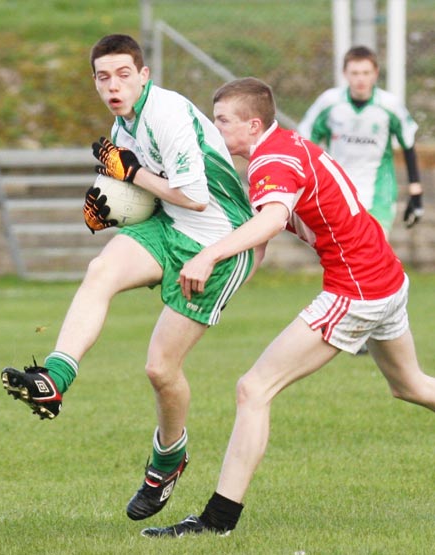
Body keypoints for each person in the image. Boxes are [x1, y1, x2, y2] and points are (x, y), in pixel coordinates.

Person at [140, 77, 435, 538]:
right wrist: (227, 276)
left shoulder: (271, 160)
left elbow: (272, 220)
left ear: (252, 125)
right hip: (385, 277)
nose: (215, 131)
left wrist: (208, 254)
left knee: (253, 389)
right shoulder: (284, 144)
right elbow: (262, 240)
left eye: (222, 121)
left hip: (356, 289)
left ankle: (216, 522)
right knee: (411, 387)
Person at [0, 35, 257, 522]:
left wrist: (132, 174)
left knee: (160, 371)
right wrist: (110, 208)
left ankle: (167, 462)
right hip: (168, 229)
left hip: (218, 244)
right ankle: (54, 378)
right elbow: (141, 188)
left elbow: (195, 198)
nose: (113, 85)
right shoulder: (123, 123)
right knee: (100, 270)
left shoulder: (167, 114)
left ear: (144, 75)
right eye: (103, 76)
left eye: (123, 74)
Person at [298, 45, 423, 240]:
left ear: (375, 73)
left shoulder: (389, 105)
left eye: (366, 73)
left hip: (378, 191)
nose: (360, 79)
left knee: (375, 249)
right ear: (344, 73)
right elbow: (305, 145)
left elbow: (408, 143)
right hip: (337, 190)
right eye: (355, 73)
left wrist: (415, 191)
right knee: (342, 253)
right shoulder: (329, 103)